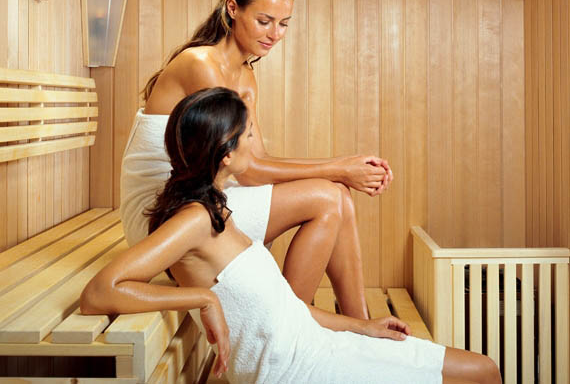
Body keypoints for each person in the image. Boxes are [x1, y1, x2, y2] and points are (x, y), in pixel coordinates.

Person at [82, 88, 501, 384]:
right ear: (226, 154)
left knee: (484, 369)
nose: (255, 143)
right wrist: (202, 299)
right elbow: (99, 292)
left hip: (317, 347)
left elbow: (285, 311)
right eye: (249, 135)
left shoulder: (218, 208)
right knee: (482, 373)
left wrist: (362, 327)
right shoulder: (193, 219)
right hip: (299, 372)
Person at [120, 0, 393, 319]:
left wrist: (343, 169)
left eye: (283, 23)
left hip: (203, 197)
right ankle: (290, 328)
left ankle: (361, 326)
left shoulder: (245, 75)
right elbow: (248, 172)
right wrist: (340, 169)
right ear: (233, 8)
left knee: (337, 194)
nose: (275, 33)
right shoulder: (200, 64)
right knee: (329, 196)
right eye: (264, 21)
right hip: (163, 214)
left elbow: (256, 160)